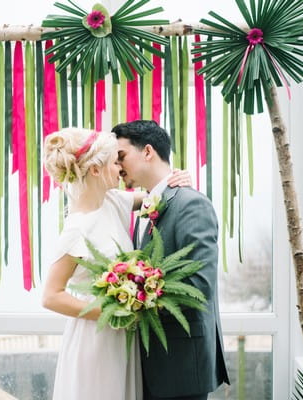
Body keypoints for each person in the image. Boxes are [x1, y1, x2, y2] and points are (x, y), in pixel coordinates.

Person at [42, 127, 191, 400]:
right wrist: (111, 312)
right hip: (94, 339)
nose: (120, 168)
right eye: (114, 162)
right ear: (96, 170)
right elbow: (51, 296)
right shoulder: (77, 228)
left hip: (123, 339)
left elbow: (158, 193)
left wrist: (178, 175)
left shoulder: (114, 201)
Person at [113, 119, 230, 400]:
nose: (118, 167)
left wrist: (132, 307)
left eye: (121, 156)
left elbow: (198, 286)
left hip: (180, 366)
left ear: (148, 152)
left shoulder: (191, 204)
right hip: (149, 363)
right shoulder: (148, 202)